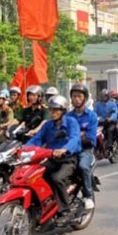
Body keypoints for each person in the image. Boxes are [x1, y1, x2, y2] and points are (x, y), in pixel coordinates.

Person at [26, 95, 81, 225]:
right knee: (34, 176)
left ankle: (65, 211)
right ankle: (43, 205)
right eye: (51, 110)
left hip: (68, 158)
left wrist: (65, 149)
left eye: (56, 110)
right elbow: (37, 139)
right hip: (51, 157)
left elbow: (75, 138)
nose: (52, 112)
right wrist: (23, 149)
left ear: (63, 111)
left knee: (57, 178)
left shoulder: (72, 122)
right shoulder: (48, 125)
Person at [67, 84, 98, 210]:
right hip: (68, 150)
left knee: (83, 166)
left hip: (85, 150)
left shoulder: (91, 116)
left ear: (84, 98)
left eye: (79, 96)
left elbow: (90, 139)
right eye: (74, 96)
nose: (77, 99)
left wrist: (75, 137)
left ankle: (88, 196)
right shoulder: (67, 116)